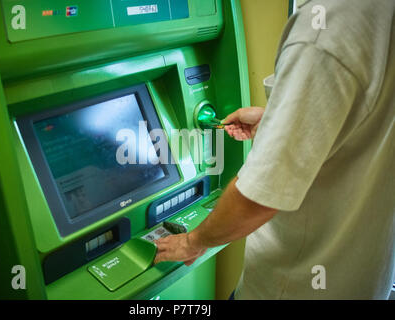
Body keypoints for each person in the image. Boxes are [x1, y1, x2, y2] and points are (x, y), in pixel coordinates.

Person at [154, 0, 394, 299]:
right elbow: (360, 120)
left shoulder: (321, 30)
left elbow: (259, 198)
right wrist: (277, 122)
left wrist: (193, 241)